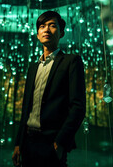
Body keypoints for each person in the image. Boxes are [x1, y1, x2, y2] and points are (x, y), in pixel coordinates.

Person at [12, 11, 86, 167]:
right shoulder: (33, 68)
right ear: (38, 34)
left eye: (52, 26)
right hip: (28, 141)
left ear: (61, 33)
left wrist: (61, 141)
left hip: (52, 142)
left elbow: (78, 106)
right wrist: (18, 143)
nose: (46, 30)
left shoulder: (71, 61)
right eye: (42, 26)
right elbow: (26, 109)